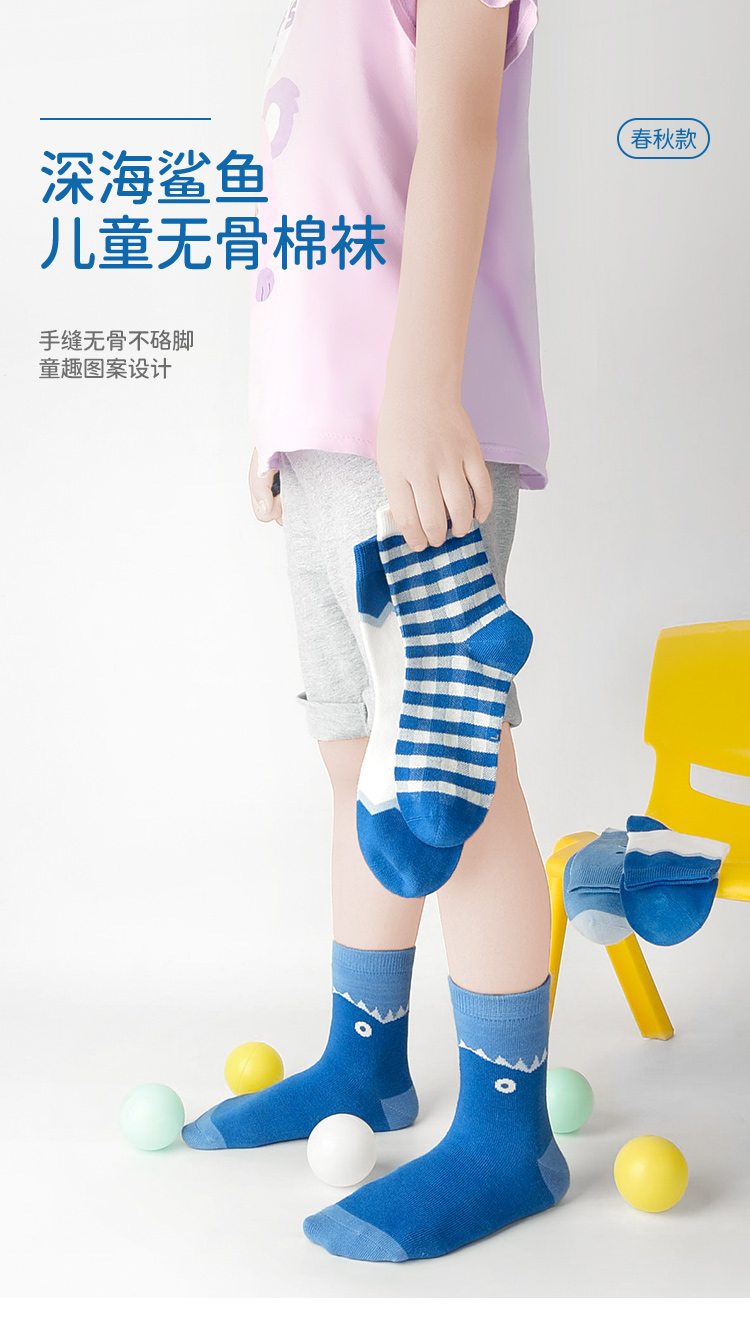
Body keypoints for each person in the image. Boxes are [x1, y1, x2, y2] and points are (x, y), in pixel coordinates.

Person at [183, 0, 570, 1261]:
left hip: (411, 427)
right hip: (327, 433)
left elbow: (458, 129)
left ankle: (509, 1131)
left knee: (452, 771)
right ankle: (367, 1059)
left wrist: (419, 389)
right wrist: (278, 423)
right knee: (356, 757)